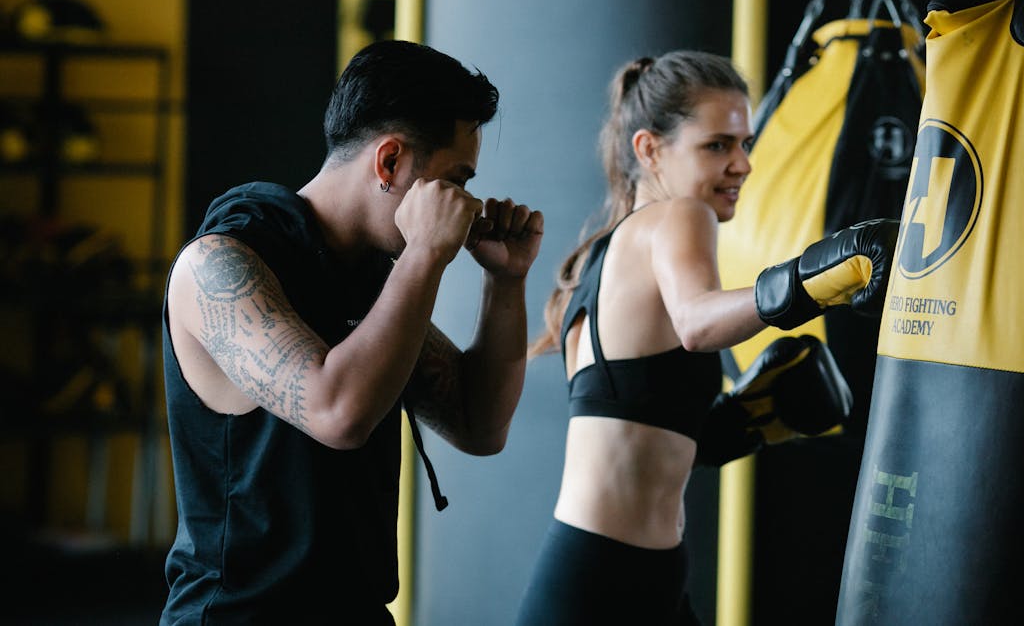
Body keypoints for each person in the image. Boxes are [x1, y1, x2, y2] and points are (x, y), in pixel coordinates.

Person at [160, 39, 544, 625]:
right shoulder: (220, 264)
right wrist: (426, 254)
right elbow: (337, 414)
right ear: (389, 162)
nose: (465, 205)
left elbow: (479, 425)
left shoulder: (367, 279)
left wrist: (506, 282)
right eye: (455, 180)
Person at [515, 51, 897, 625]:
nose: (743, 164)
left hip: (620, 573)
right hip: (606, 583)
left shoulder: (602, 258)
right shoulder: (679, 217)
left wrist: (742, 422)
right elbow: (697, 323)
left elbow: (631, 435)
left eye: (745, 143)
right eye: (717, 146)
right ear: (649, 149)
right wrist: (814, 281)